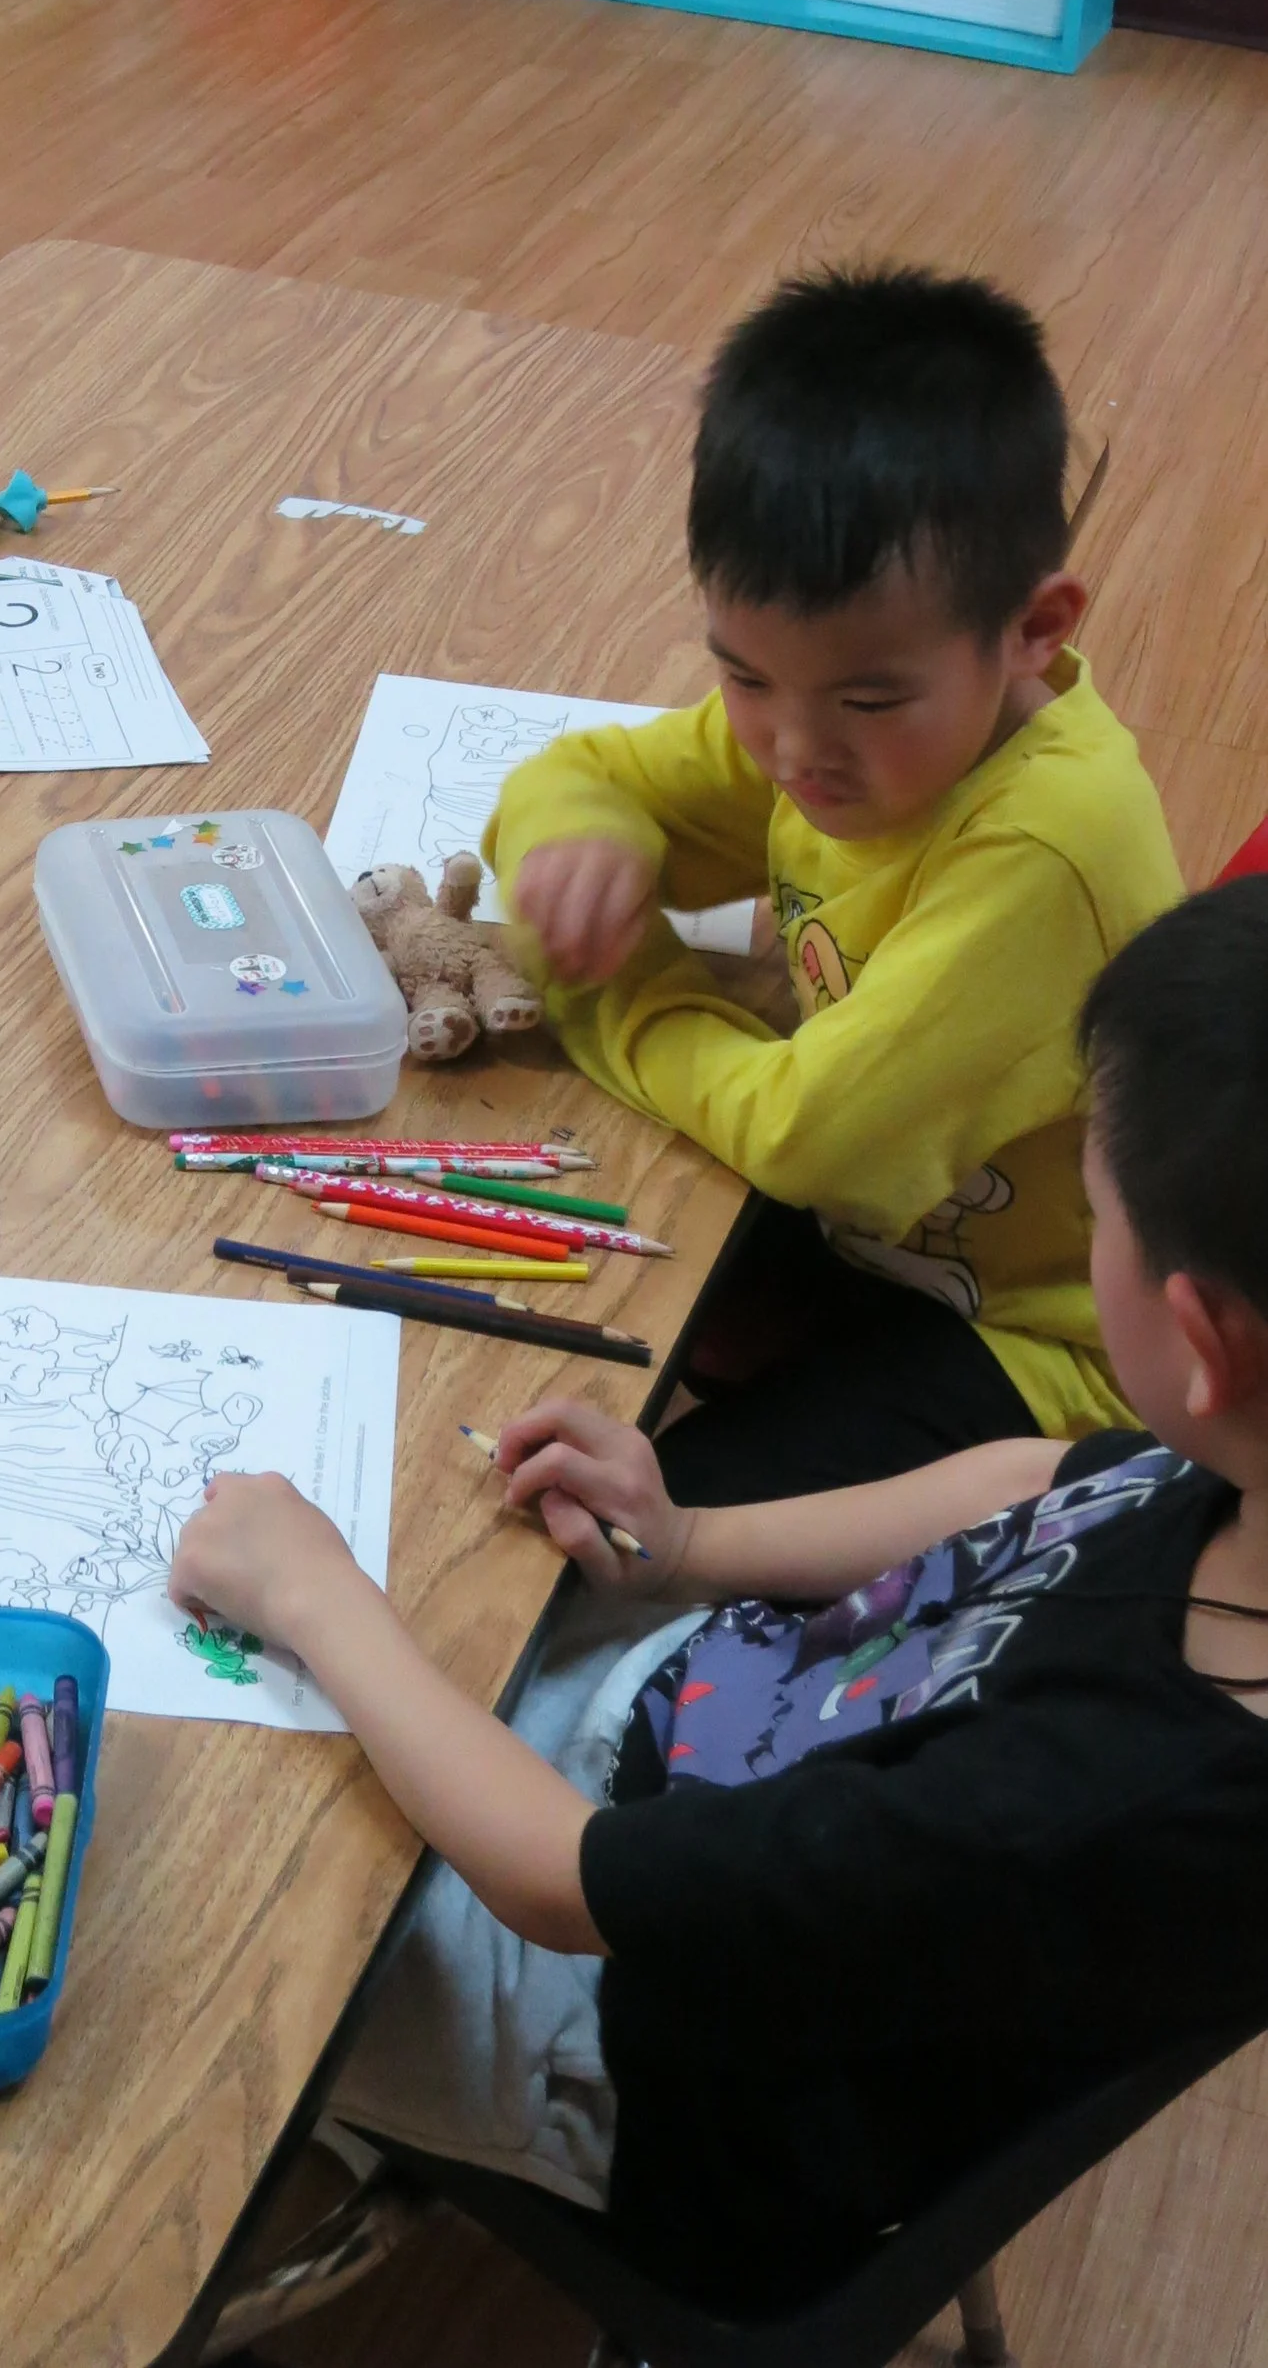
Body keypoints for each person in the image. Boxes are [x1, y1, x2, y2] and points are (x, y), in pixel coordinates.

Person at [169, 878, 1268, 2320]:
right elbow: (1032, 1480)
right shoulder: (1237, 1475)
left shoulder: (1074, 1802)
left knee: (195, 1890)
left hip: (621, 2043)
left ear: (1199, 1336)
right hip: (715, 1749)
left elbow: (559, 1884)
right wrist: (685, 1537)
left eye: (1094, 1204)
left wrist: (316, 1598)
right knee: (399, 1637)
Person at [491, 266, 1178, 1500]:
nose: (796, 749)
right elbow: (582, 774)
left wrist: (605, 990)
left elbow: (812, 1140)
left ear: (1035, 629)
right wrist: (570, 851)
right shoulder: (843, 719)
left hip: (1048, 1358)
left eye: (866, 698)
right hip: (885, 1252)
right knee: (553, 1288)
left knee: (642, 1516)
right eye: (745, 679)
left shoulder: (1046, 843)